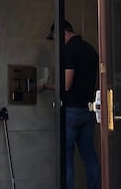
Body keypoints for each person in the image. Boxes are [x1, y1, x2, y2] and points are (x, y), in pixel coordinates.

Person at [40, 20, 100, 189]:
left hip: (71, 111)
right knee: (89, 156)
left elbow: (66, 85)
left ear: (63, 32)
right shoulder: (90, 50)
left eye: (55, 37)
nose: (56, 42)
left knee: (66, 157)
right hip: (88, 110)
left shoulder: (69, 50)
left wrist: (45, 86)